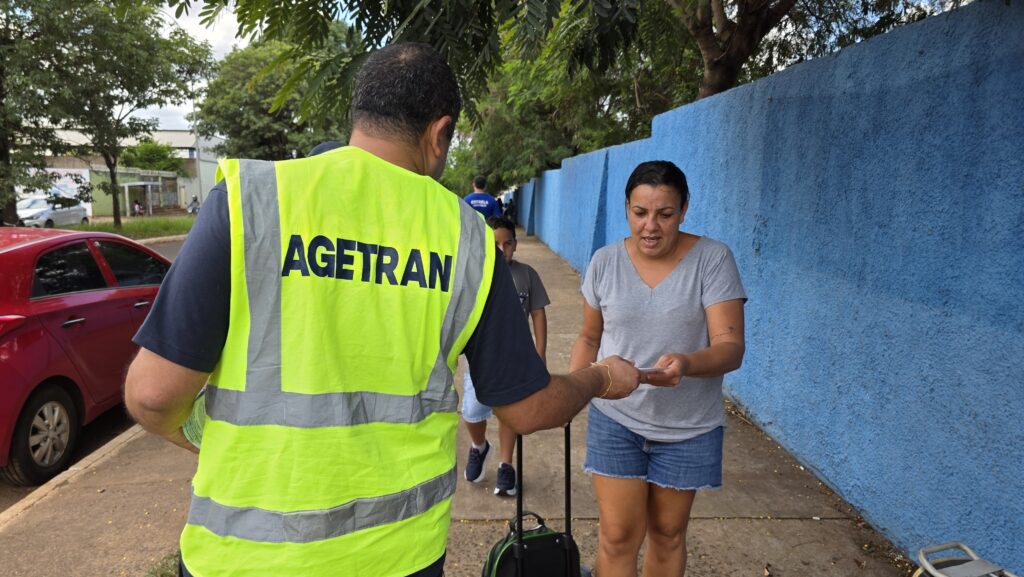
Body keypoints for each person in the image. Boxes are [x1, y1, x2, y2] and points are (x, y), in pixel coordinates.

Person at [124, 42, 641, 577]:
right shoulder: (465, 237)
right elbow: (529, 409)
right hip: (398, 555)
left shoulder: (253, 199)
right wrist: (601, 377)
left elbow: (153, 396)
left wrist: (215, 445)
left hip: (242, 558)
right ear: (439, 134)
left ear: (360, 115)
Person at [569, 160, 747, 577]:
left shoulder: (713, 260)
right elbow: (589, 337)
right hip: (616, 419)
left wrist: (686, 362)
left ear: (684, 210)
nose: (651, 226)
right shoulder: (604, 262)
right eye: (640, 213)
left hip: (688, 426)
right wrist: (573, 390)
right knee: (617, 536)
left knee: (667, 534)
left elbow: (730, 347)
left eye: (665, 214)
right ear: (627, 209)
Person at [462, 215, 550, 497]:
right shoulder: (475, 275)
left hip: (515, 359)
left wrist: (540, 352)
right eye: (495, 244)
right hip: (481, 359)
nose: (502, 250)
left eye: (507, 243)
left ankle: (506, 465)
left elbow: (538, 313)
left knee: (509, 415)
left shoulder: (527, 275)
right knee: (472, 412)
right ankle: (479, 447)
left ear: (515, 244)